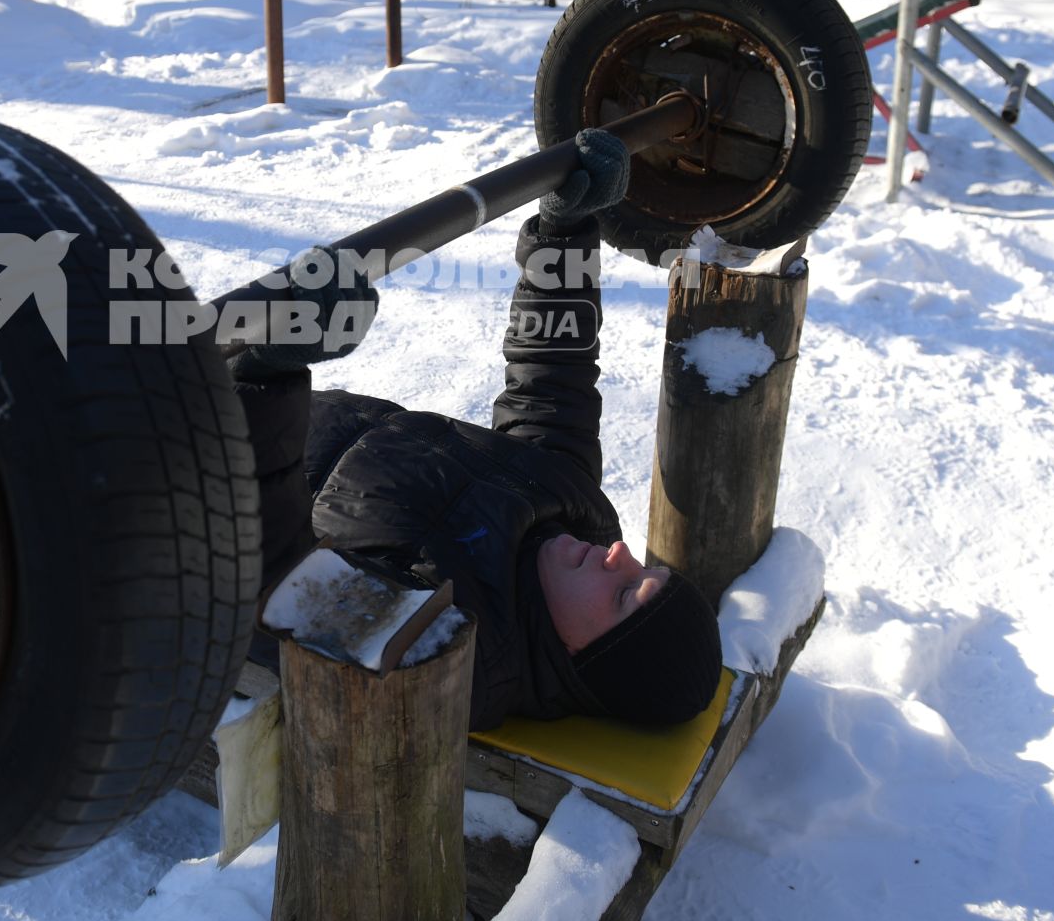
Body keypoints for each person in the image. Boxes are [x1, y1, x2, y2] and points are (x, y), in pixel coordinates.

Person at [230, 129, 723, 732]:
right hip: (242, 418)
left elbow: (272, 575)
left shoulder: (443, 649)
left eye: (625, 596)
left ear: (581, 660)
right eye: (644, 569)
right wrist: (565, 234)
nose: (620, 556)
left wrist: (262, 377)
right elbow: (551, 384)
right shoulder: (573, 515)